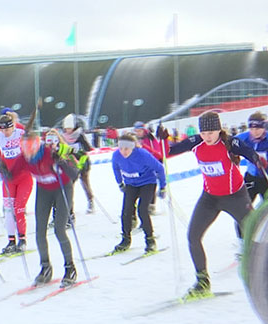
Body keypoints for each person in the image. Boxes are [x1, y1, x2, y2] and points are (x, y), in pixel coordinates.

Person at [164, 111, 265, 299]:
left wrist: (257, 160)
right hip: (209, 198)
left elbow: (247, 151)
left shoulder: (229, 142)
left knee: (255, 236)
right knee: (193, 237)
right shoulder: (196, 142)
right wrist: (162, 141)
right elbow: (169, 151)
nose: (207, 137)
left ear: (219, 130)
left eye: (211, 132)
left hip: (236, 197)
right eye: (204, 133)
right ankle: (202, 282)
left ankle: (262, 278)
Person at [21, 129, 79, 288]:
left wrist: (62, 162)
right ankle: (45, 267)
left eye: (30, 147)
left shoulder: (56, 152)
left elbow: (75, 174)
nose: (27, 152)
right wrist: (4, 168)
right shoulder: (28, 156)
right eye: (24, 147)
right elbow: (14, 172)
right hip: (44, 190)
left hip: (62, 189)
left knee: (59, 230)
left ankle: (70, 268)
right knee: (39, 231)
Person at [0, 112, 33, 254]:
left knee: (18, 209)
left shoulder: (20, 133)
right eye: (2, 130)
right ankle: (11, 241)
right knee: (9, 211)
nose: (5, 132)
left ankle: (22, 240)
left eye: (7, 129)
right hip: (8, 178)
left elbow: (36, 144)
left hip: (24, 177)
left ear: (13, 126)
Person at [110, 134, 166, 254]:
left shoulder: (142, 155)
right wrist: (120, 183)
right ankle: (125, 239)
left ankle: (150, 241)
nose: (123, 152)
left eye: (126, 149)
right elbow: (115, 168)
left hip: (147, 183)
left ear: (133, 147)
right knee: (126, 211)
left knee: (142, 210)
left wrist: (163, 186)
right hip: (131, 184)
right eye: (121, 148)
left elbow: (160, 168)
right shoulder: (116, 155)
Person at [60, 113, 94, 214]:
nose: (68, 130)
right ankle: (70, 207)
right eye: (66, 128)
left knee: (85, 183)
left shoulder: (79, 135)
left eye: (70, 128)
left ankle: (90, 201)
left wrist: (77, 151)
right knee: (70, 186)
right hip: (71, 164)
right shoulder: (63, 137)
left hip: (82, 161)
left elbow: (88, 148)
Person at [235, 111, 268, 203]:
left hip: (265, 178)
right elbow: (229, 144)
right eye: (252, 129)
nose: (255, 132)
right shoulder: (243, 138)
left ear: (264, 127)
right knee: (244, 205)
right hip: (251, 176)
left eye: (258, 128)